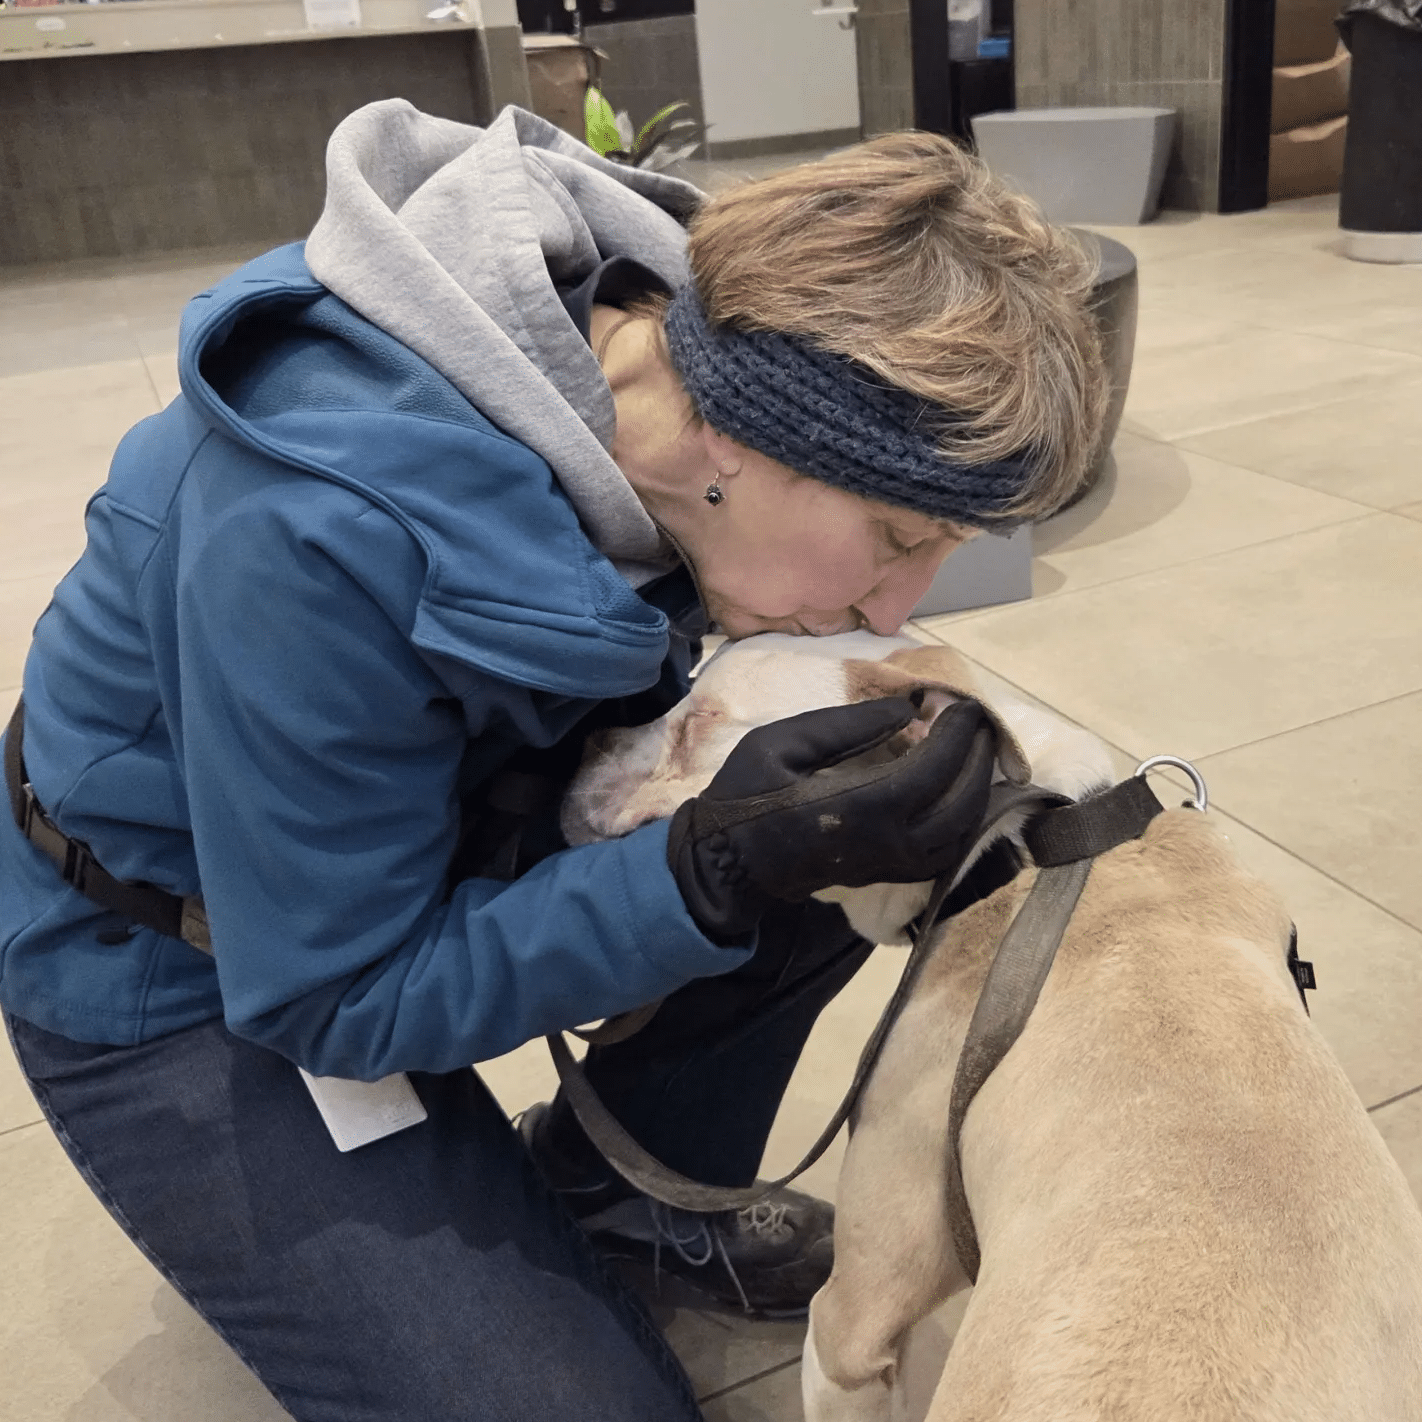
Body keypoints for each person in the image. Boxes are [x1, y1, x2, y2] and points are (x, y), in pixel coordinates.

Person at [0, 103, 1107, 1420]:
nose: (893, 605)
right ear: (736, 443)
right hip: (184, 962)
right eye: (892, 535)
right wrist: (695, 870)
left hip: (431, 836)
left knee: (835, 836)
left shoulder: (682, 358)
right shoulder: (313, 525)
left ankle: (617, 1190)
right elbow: (331, 996)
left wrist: (763, 841)